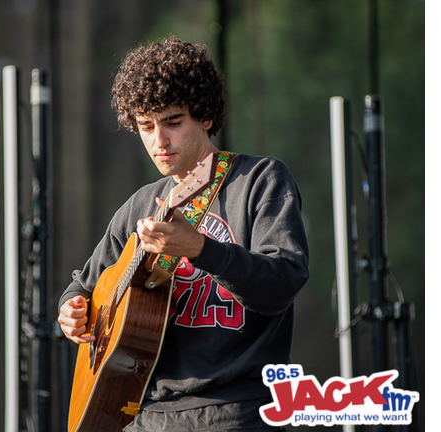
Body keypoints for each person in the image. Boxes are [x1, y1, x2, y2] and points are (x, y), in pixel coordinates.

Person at [57, 36, 309, 431]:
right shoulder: (141, 205)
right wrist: (72, 310)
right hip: (144, 414)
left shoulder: (260, 180)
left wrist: (202, 249)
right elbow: (84, 286)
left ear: (205, 116)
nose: (159, 141)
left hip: (239, 411)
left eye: (173, 122)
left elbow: (284, 283)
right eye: (145, 126)